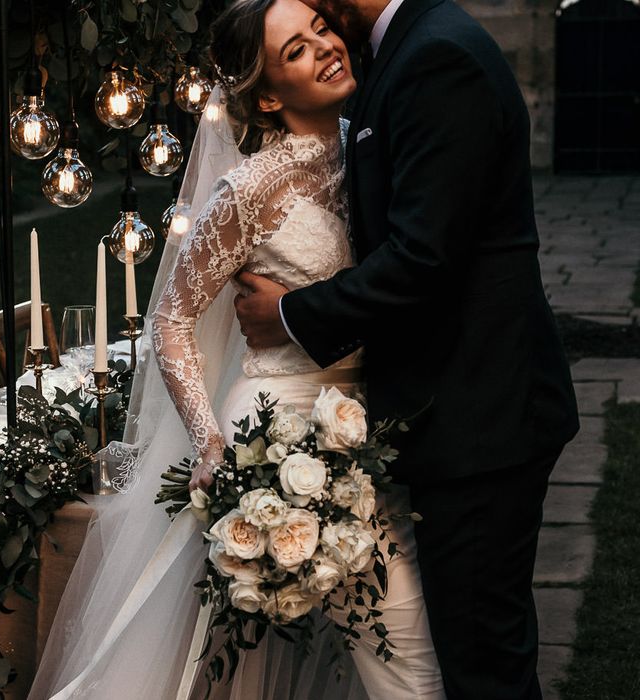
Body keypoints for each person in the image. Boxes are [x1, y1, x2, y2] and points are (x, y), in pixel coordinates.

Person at [28, 0, 445, 698]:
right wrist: (213, 443)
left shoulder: (371, 139)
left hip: (367, 422)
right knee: (360, 653)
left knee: (396, 652)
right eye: (296, 52)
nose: (325, 48)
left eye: (320, 30)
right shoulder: (247, 189)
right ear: (269, 95)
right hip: (280, 436)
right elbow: (169, 321)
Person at [233, 0, 581, 698]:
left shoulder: (436, 58)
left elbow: (424, 259)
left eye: (321, 17)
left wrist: (290, 312)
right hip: (458, 409)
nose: (323, 30)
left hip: (481, 414)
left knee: (484, 665)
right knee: (474, 647)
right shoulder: (406, 50)